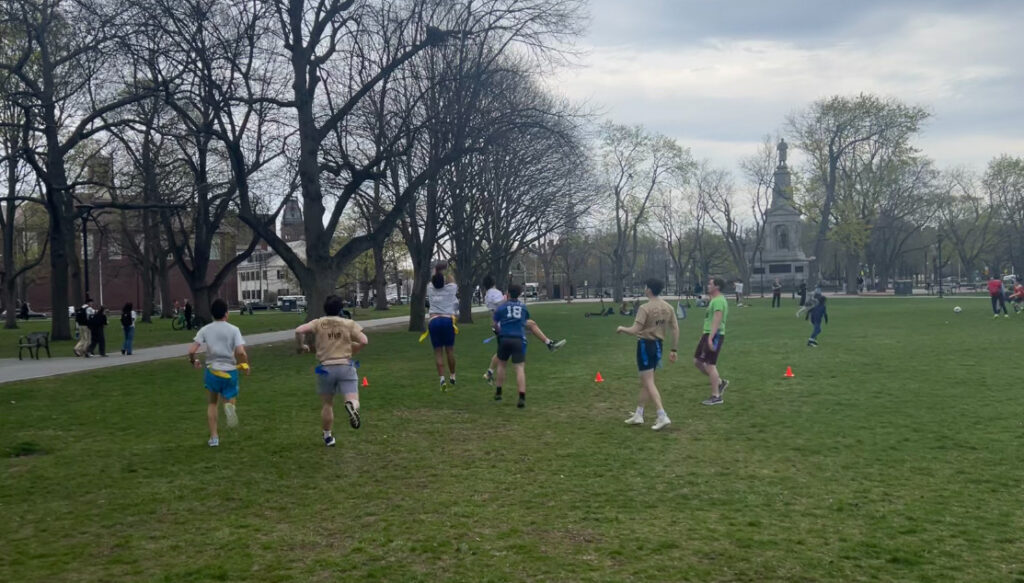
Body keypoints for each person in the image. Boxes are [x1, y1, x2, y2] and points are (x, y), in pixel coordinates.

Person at [294, 295, 368, 446]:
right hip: (346, 365)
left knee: (327, 404)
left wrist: (302, 346)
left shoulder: (318, 323)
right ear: (341, 309)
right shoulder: (348, 323)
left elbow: (299, 330)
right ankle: (352, 407)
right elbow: (364, 340)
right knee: (353, 398)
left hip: (325, 368)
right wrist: (355, 350)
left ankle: (328, 437)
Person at [618, 278, 679, 431]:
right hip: (658, 346)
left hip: (645, 346)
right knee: (647, 381)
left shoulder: (645, 308)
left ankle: (662, 414)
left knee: (649, 382)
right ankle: (639, 413)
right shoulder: (668, 307)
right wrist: (674, 350)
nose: (644, 289)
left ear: (649, 290)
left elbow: (634, 330)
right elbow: (675, 329)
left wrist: (621, 328)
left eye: (645, 287)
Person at [482, 275, 566, 386]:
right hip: (506, 322)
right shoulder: (494, 292)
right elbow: (503, 302)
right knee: (532, 324)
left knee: (501, 352)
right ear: (493, 282)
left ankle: (489, 372)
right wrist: (509, 295)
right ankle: (549, 344)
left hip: (499, 324)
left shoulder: (487, 295)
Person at [187, 298, 250, 447]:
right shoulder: (234, 330)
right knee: (230, 396)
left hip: (213, 371)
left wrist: (193, 361)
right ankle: (230, 406)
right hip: (230, 370)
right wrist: (245, 365)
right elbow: (241, 352)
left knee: (212, 403)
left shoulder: (205, 329)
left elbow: (191, 350)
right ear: (226, 314)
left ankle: (214, 437)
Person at [491, 284, 539, 408]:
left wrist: (499, 331)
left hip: (505, 338)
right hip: (518, 339)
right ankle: (521, 397)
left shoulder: (502, 308)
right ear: (519, 294)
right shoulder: (523, 307)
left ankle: (498, 392)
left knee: (502, 365)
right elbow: (524, 321)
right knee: (519, 368)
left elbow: (495, 323)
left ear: (508, 293)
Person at [695, 277, 729, 406]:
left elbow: (717, 319)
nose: (708, 286)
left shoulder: (719, 301)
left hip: (715, 334)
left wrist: (710, 338)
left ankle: (716, 396)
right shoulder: (714, 300)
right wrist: (704, 335)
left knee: (710, 364)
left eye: (710, 284)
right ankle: (720, 382)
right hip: (708, 333)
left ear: (717, 287)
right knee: (697, 361)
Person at [427, 266, 459, 391]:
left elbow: (433, 279)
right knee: (449, 350)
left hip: (434, 321)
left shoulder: (430, 289)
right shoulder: (450, 289)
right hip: (447, 320)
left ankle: (442, 379)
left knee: (438, 351)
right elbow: (451, 280)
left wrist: (436, 269)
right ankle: (452, 375)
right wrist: (447, 270)